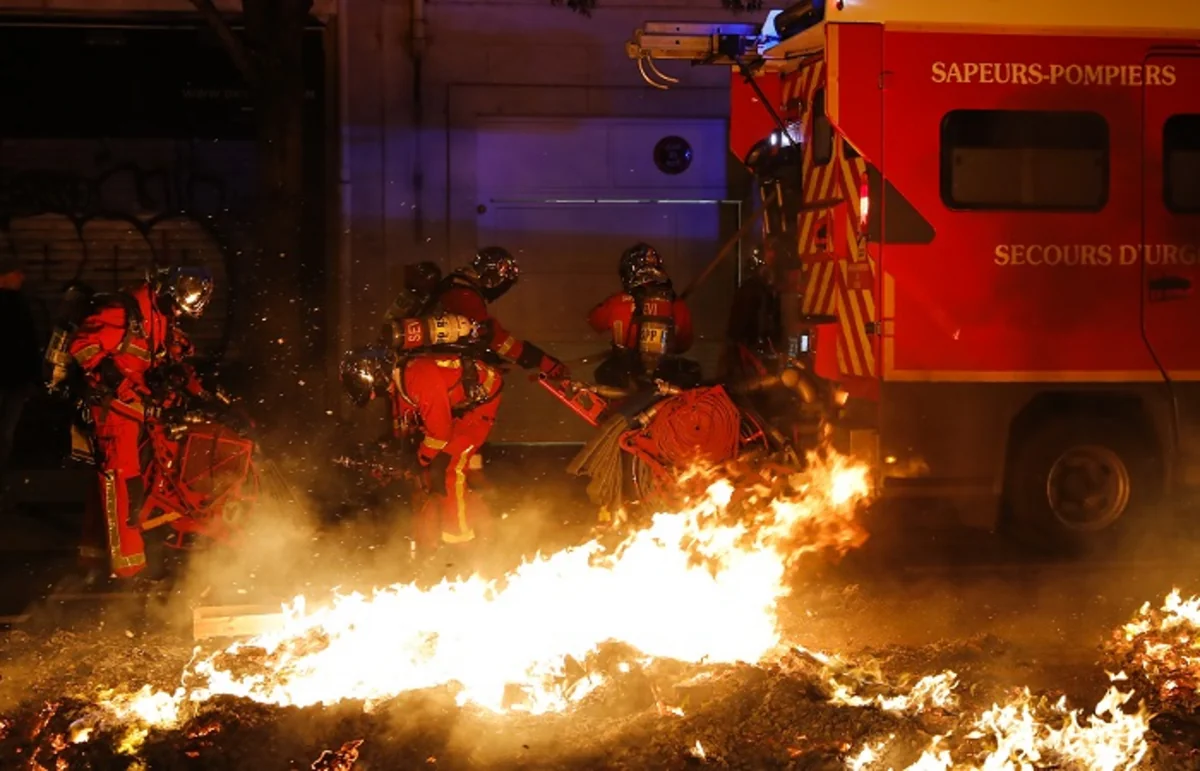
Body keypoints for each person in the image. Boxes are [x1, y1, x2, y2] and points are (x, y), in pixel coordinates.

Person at [66, 266, 214, 580]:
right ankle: (128, 573)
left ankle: (94, 561)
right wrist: (112, 378)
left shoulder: (160, 314)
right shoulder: (124, 311)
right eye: (176, 307)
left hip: (134, 410)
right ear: (167, 291)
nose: (177, 314)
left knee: (113, 486)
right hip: (112, 412)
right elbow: (82, 346)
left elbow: (155, 354)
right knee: (123, 485)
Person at [340, 337, 502, 553]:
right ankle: (440, 542)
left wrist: (419, 460)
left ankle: (460, 545)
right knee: (428, 476)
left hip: (479, 407)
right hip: (456, 408)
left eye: (364, 387)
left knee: (448, 468)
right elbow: (406, 426)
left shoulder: (417, 376)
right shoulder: (400, 383)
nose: (370, 394)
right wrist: (395, 455)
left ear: (373, 373)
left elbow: (440, 433)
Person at [432, 247, 568, 378]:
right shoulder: (465, 295)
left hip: (439, 362)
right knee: (489, 386)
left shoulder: (457, 286)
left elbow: (472, 336)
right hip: (441, 367)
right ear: (494, 278)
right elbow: (494, 337)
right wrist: (541, 361)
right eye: (504, 285)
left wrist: (489, 358)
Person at [587, 242, 699, 389]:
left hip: (624, 375)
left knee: (603, 373)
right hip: (665, 378)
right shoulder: (678, 305)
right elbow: (684, 344)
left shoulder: (615, 303)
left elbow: (594, 322)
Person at [0, 257, 39, 513]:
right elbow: (27, 344)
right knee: (5, 435)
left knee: (5, 435)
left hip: (13, 380)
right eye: (17, 273)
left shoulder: (18, 303)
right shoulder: (17, 305)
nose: (22, 278)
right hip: (13, 380)